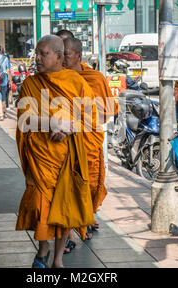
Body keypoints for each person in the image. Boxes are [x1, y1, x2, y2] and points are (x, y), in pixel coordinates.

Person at [15, 35, 100, 268]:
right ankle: (43, 248)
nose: (38, 59)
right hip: (41, 157)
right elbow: (24, 119)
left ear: (59, 56)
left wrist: (68, 127)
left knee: (65, 206)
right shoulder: (30, 84)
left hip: (68, 158)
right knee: (41, 204)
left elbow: (92, 119)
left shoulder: (76, 82)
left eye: (44, 54)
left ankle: (58, 259)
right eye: (37, 54)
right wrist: (53, 123)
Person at [62, 37, 118, 246]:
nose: (62, 59)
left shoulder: (94, 78)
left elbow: (107, 112)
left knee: (92, 184)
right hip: (65, 142)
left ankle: (86, 218)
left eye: (65, 54)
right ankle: (71, 229)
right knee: (69, 187)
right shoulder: (57, 78)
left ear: (78, 55)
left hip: (89, 140)